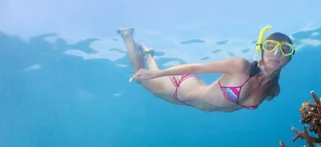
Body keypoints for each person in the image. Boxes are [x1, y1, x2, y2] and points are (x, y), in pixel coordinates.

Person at [117, 26, 294, 112]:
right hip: (182, 90)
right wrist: (156, 74)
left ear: (289, 57)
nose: (276, 53)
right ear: (262, 49)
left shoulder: (273, 89)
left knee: (155, 90)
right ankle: (128, 36)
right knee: (142, 78)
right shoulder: (241, 66)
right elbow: (196, 67)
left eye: (284, 49)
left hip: (190, 101)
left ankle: (149, 55)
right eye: (270, 46)